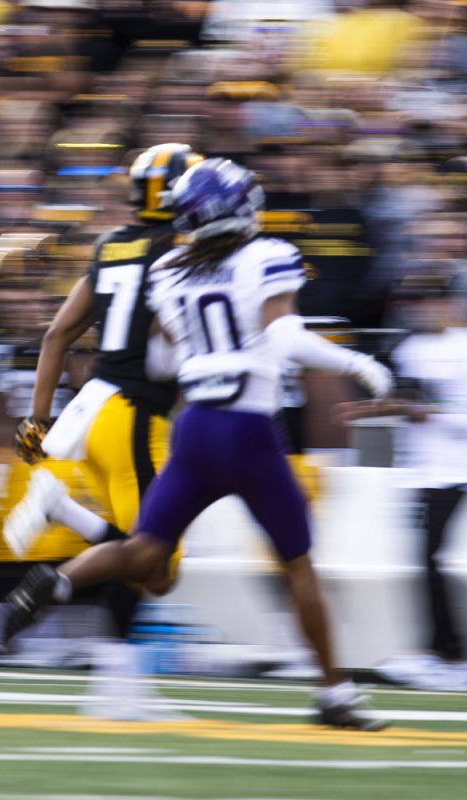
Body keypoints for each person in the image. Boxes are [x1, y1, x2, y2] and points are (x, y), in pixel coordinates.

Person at [28, 158, 393, 730]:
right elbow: (283, 334)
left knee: (148, 549)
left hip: (195, 426)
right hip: (248, 429)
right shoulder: (266, 255)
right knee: (298, 564)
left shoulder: (171, 267)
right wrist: (358, 362)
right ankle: (335, 695)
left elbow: (162, 359)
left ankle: (62, 578)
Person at [0, 143, 201, 718]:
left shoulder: (112, 245)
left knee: (135, 558)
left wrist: (39, 416)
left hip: (94, 412)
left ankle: (117, 692)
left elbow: (58, 334)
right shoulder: (182, 253)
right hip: (137, 417)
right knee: (156, 568)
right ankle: (60, 531)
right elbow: (176, 342)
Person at [341, 271, 467, 691]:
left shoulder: (462, 348)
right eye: (416, 301)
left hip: (456, 472)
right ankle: (439, 651)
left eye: (430, 300)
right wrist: (375, 409)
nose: (423, 308)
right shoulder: (411, 348)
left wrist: (427, 414)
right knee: (423, 561)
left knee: (429, 560)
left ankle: (446, 653)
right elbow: (409, 402)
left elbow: (435, 411)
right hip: (425, 474)